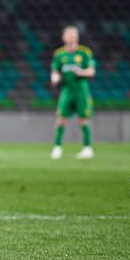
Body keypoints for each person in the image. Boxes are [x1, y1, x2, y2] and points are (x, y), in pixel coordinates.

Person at [50, 25, 96, 160]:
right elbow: (55, 71)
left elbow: (92, 71)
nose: (72, 37)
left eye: (74, 35)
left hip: (81, 91)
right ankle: (57, 148)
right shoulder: (59, 54)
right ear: (63, 37)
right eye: (69, 35)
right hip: (67, 91)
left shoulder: (84, 53)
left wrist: (81, 72)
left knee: (83, 120)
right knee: (60, 119)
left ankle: (87, 148)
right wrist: (54, 78)